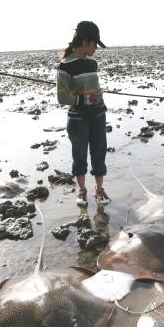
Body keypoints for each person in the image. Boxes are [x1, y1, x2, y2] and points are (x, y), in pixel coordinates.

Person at [57, 21, 110, 206]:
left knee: (99, 154)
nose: (96, 48)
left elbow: (94, 89)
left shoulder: (93, 64)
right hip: (78, 120)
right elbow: (62, 97)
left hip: (97, 117)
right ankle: (82, 190)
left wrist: (99, 100)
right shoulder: (64, 66)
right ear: (86, 41)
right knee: (79, 156)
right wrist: (86, 99)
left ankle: (99, 189)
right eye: (95, 44)